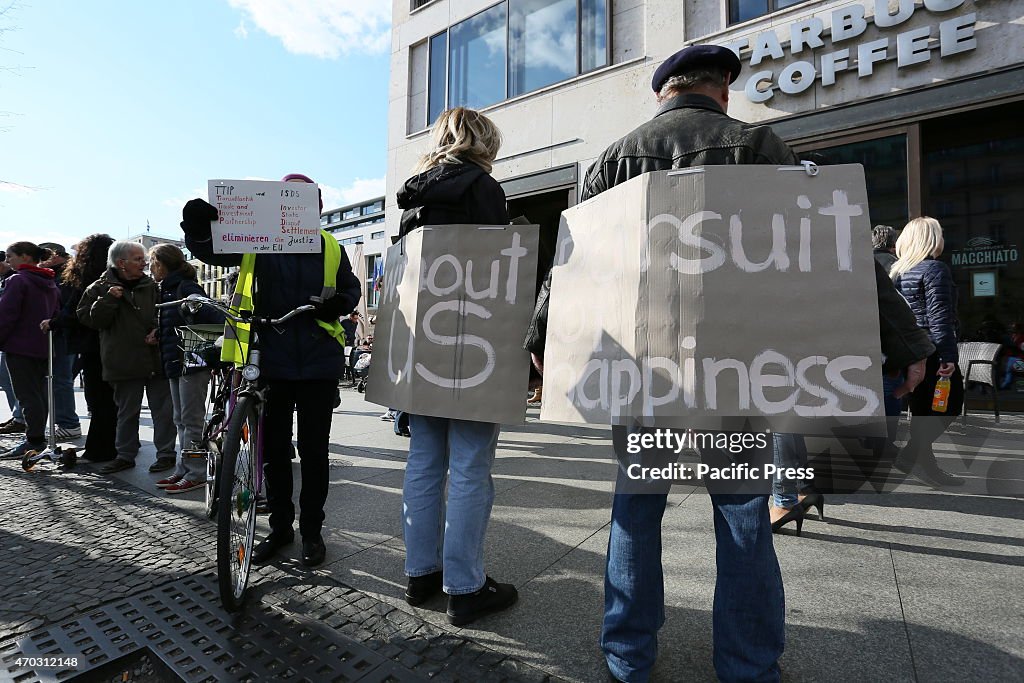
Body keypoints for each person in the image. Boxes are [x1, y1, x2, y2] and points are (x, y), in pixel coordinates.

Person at [525, 45, 928, 682]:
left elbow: (569, 265)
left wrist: (541, 339)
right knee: (742, 512)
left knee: (636, 506)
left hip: (644, 374)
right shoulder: (757, 145)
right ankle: (747, 666)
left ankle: (628, 657)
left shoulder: (613, 160)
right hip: (737, 372)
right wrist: (905, 343)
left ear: (663, 94)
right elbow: (834, 251)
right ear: (723, 92)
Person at [181, 173, 361, 567]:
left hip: (317, 359)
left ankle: (312, 531)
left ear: (315, 207)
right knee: (274, 451)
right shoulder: (256, 239)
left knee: (314, 451)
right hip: (269, 356)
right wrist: (197, 228)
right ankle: (281, 529)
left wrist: (340, 303)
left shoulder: (330, 244)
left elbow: (351, 287)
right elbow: (214, 252)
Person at [395, 106, 517, 626]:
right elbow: (496, 277)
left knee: (423, 462)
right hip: (473, 345)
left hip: (423, 346)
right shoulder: (482, 190)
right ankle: (465, 587)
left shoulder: (411, 199)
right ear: (483, 141)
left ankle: (420, 574)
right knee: (469, 466)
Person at [77, 241, 177, 475]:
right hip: (122, 360)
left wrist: (157, 330)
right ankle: (125, 455)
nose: (144, 263)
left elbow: (166, 314)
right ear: (121, 263)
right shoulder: (99, 288)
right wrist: (109, 299)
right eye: (138, 259)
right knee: (126, 412)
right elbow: (89, 320)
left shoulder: (154, 286)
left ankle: (166, 455)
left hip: (155, 358)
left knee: (163, 411)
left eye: (143, 258)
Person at [891, 217, 965, 487]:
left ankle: (926, 465)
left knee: (922, 411)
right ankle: (910, 456)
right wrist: (948, 357)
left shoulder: (898, 272)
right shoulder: (935, 269)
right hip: (932, 351)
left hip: (909, 352)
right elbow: (939, 317)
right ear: (932, 239)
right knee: (950, 405)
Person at [148, 243, 225, 493]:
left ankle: (196, 472)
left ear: (160, 264)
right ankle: (184, 469)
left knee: (190, 421)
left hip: (192, 361)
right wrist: (162, 332)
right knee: (180, 419)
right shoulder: (169, 289)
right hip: (176, 361)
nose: (150, 268)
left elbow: (216, 318)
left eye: (152, 263)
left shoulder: (185, 288)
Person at [51, 234, 119, 462]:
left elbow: (73, 311)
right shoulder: (113, 276)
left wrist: (52, 322)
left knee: (98, 398)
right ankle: (118, 444)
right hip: (111, 342)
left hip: (92, 344)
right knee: (110, 399)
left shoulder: (87, 278)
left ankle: (100, 449)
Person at [0, 242, 60, 459]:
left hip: (19, 346)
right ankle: (36, 437)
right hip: (43, 346)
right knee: (38, 394)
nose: (8, 261)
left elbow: (6, 315)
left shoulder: (18, 280)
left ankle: (33, 440)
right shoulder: (49, 281)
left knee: (26, 395)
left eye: (10, 256)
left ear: (25, 256)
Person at [38, 242, 83, 439]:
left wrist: (55, 322)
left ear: (55, 255)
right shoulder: (60, 273)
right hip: (62, 332)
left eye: (43, 256)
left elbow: (66, 306)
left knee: (60, 379)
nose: (39, 262)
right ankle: (66, 422)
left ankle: (68, 423)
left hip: (63, 333)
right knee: (59, 379)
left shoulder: (66, 275)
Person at [0, 258, 26, 435]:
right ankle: (18, 417)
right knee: (6, 378)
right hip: (9, 337)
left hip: (14, 338)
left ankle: (21, 418)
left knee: (15, 380)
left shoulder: (15, 279)